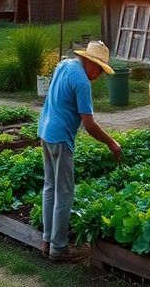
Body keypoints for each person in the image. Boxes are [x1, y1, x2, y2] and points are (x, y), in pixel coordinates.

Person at [37, 40, 122, 261]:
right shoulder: (82, 81)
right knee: (64, 193)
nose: (100, 75)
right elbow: (89, 123)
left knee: (49, 188)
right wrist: (111, 142)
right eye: (101, 70)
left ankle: (47, 242)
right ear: (92, 63)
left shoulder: (64, 65)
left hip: (45, 132)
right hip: (61, 138)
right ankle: (59, 249)